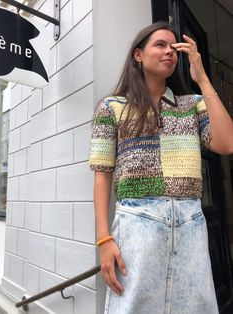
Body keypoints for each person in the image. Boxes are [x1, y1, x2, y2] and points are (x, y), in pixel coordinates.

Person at [89, 21, 233, 314]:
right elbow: (102, 176)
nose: (170, 51)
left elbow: (226, 143)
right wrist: (104, 239)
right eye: (160, 45)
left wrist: (202, 78)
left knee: (195, 307)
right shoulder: (112, 108)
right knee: (132, 307)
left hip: (190, 222)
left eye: (174, 48)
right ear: (138, 55)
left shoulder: (192, 104)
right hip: (136, 223)